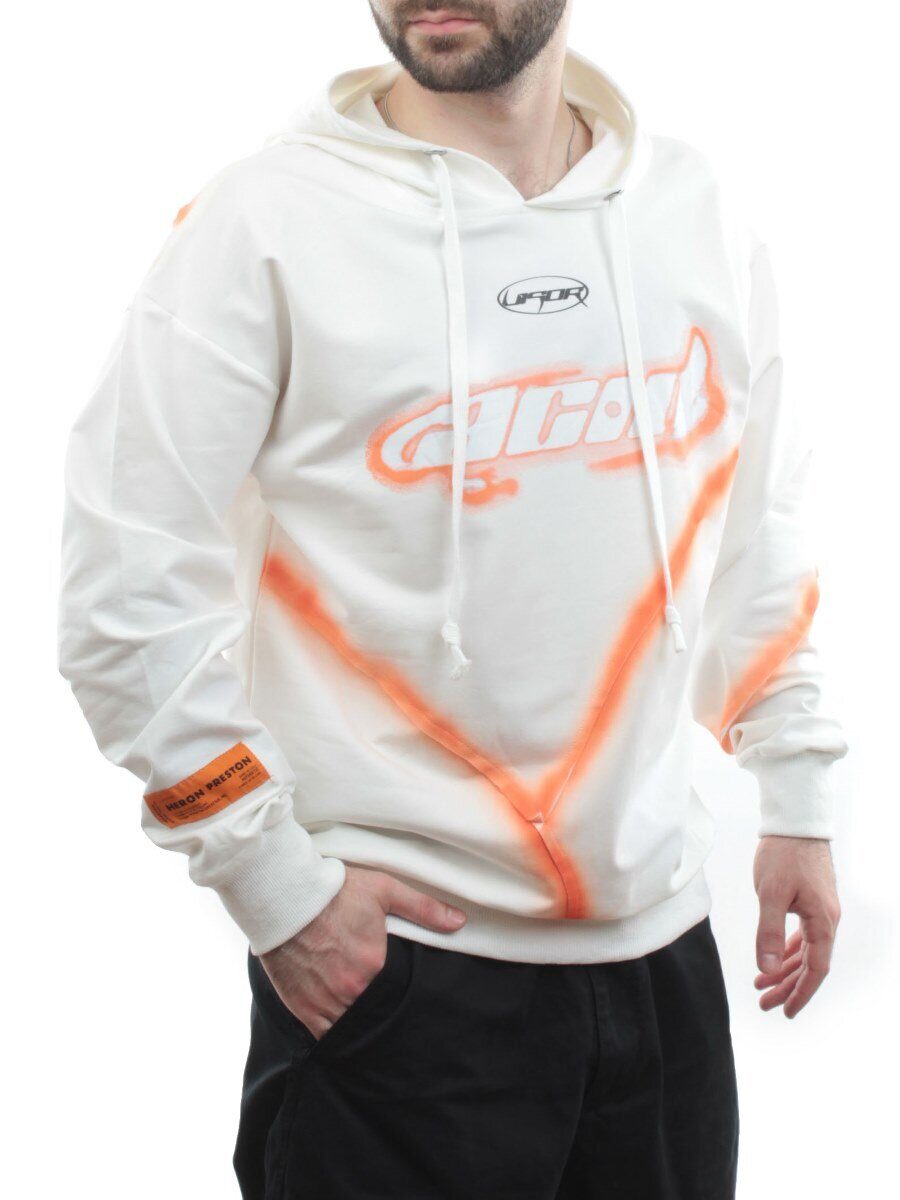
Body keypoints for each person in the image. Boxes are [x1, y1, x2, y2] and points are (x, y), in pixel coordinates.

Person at [57, 2, 850, 1196]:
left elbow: (754, 529)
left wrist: (796, 793)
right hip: (397, 981)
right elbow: (127, 580)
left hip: (664, 965)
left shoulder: (691, 212)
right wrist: (275, 890)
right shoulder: (266, 221)